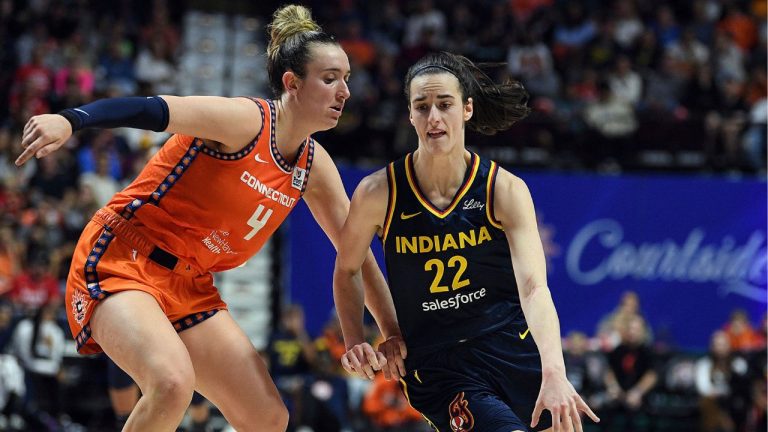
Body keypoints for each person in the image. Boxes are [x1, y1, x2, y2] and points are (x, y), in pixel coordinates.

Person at [15, 5, 400, 431]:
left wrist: (390, 331)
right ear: (292, 83)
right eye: (331, 79)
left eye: (347, 78)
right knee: (171, 382)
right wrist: (70, 120)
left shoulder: (314, 165)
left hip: (190, 283)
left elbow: (356, 255)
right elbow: (151, 109)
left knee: (268, 417)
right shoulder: (246, 122)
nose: (345, 91)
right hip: (122, 257)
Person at [334, 51, 599, 432]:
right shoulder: (379, 192)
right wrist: (360, 337)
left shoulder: (503, 188)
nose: (434, 118)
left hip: (512, 348)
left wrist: (554, 371)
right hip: (438, 365)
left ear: (467, 109)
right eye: (421, 107)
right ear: (410, 115)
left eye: (445, 104)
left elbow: (533, 287)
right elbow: (348, 268)